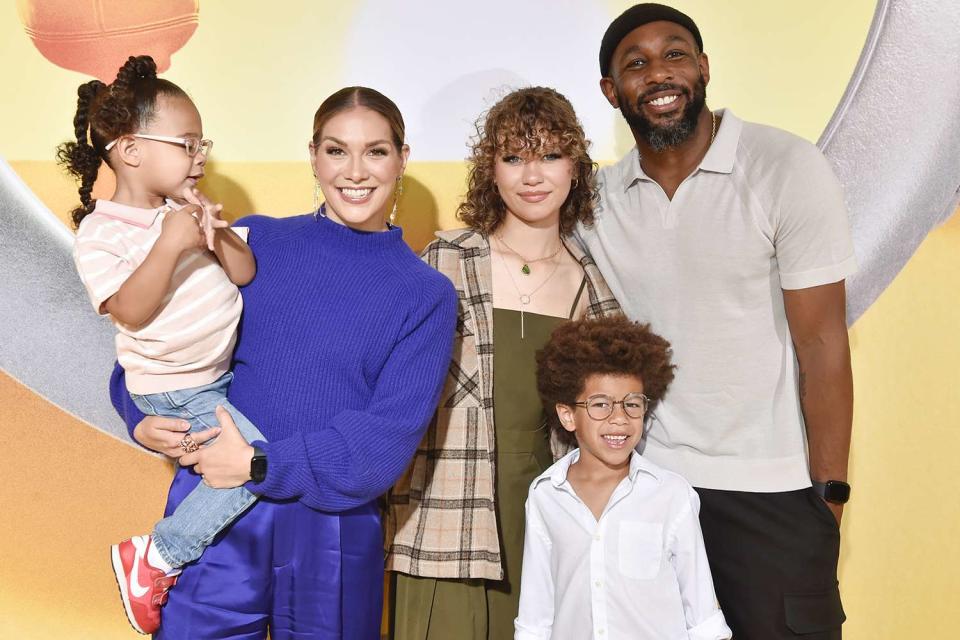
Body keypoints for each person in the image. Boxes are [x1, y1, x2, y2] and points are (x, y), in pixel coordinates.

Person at [110, 86, 458, 639]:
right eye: (336, 150)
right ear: (313, 156)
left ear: (403, 159)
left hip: (333, 528)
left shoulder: (426, 295)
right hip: (215, 512)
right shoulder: (253, 243)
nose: (355, 171)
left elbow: (383, 441)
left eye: (376, 151)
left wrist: (258, 465)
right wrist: (139, 417)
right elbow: (159, 341)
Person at [576, 4, 857, 638]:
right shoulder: (597, 201)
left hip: (774, 493)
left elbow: (823, 342)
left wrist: (830, 492)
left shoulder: (785, 167)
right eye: (636, 63)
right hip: (648, 491)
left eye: (675, 54)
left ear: (702, 67)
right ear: (610, 90)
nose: (658, 73)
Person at [386, 87, 621, 640]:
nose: (532, 175)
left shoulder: (592, 283)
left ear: (575, 169)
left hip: (545, 508)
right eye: (514, 157)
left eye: (550, 156)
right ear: (491, 171)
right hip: (447, 502)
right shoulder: (447, 257)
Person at [61, 54, 266, 635]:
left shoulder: (185, 211)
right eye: (187, 144)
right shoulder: (103, 233)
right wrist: (170, 243)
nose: (200, 159)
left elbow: (244, 273)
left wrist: (214, 231)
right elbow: (129, 308)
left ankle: (161, 555)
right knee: (252, 463)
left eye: (204, 146)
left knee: (245, 463)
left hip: (211, 380)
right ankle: (157, 556)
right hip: (174, 391)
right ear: (130, 151)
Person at [515, 316, 731, 640]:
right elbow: (536, 616)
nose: (619, 419)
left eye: (632, 404)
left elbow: (702, 617)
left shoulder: (672, 496)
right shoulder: (546, 496)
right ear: (568, 415)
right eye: (600, 404)